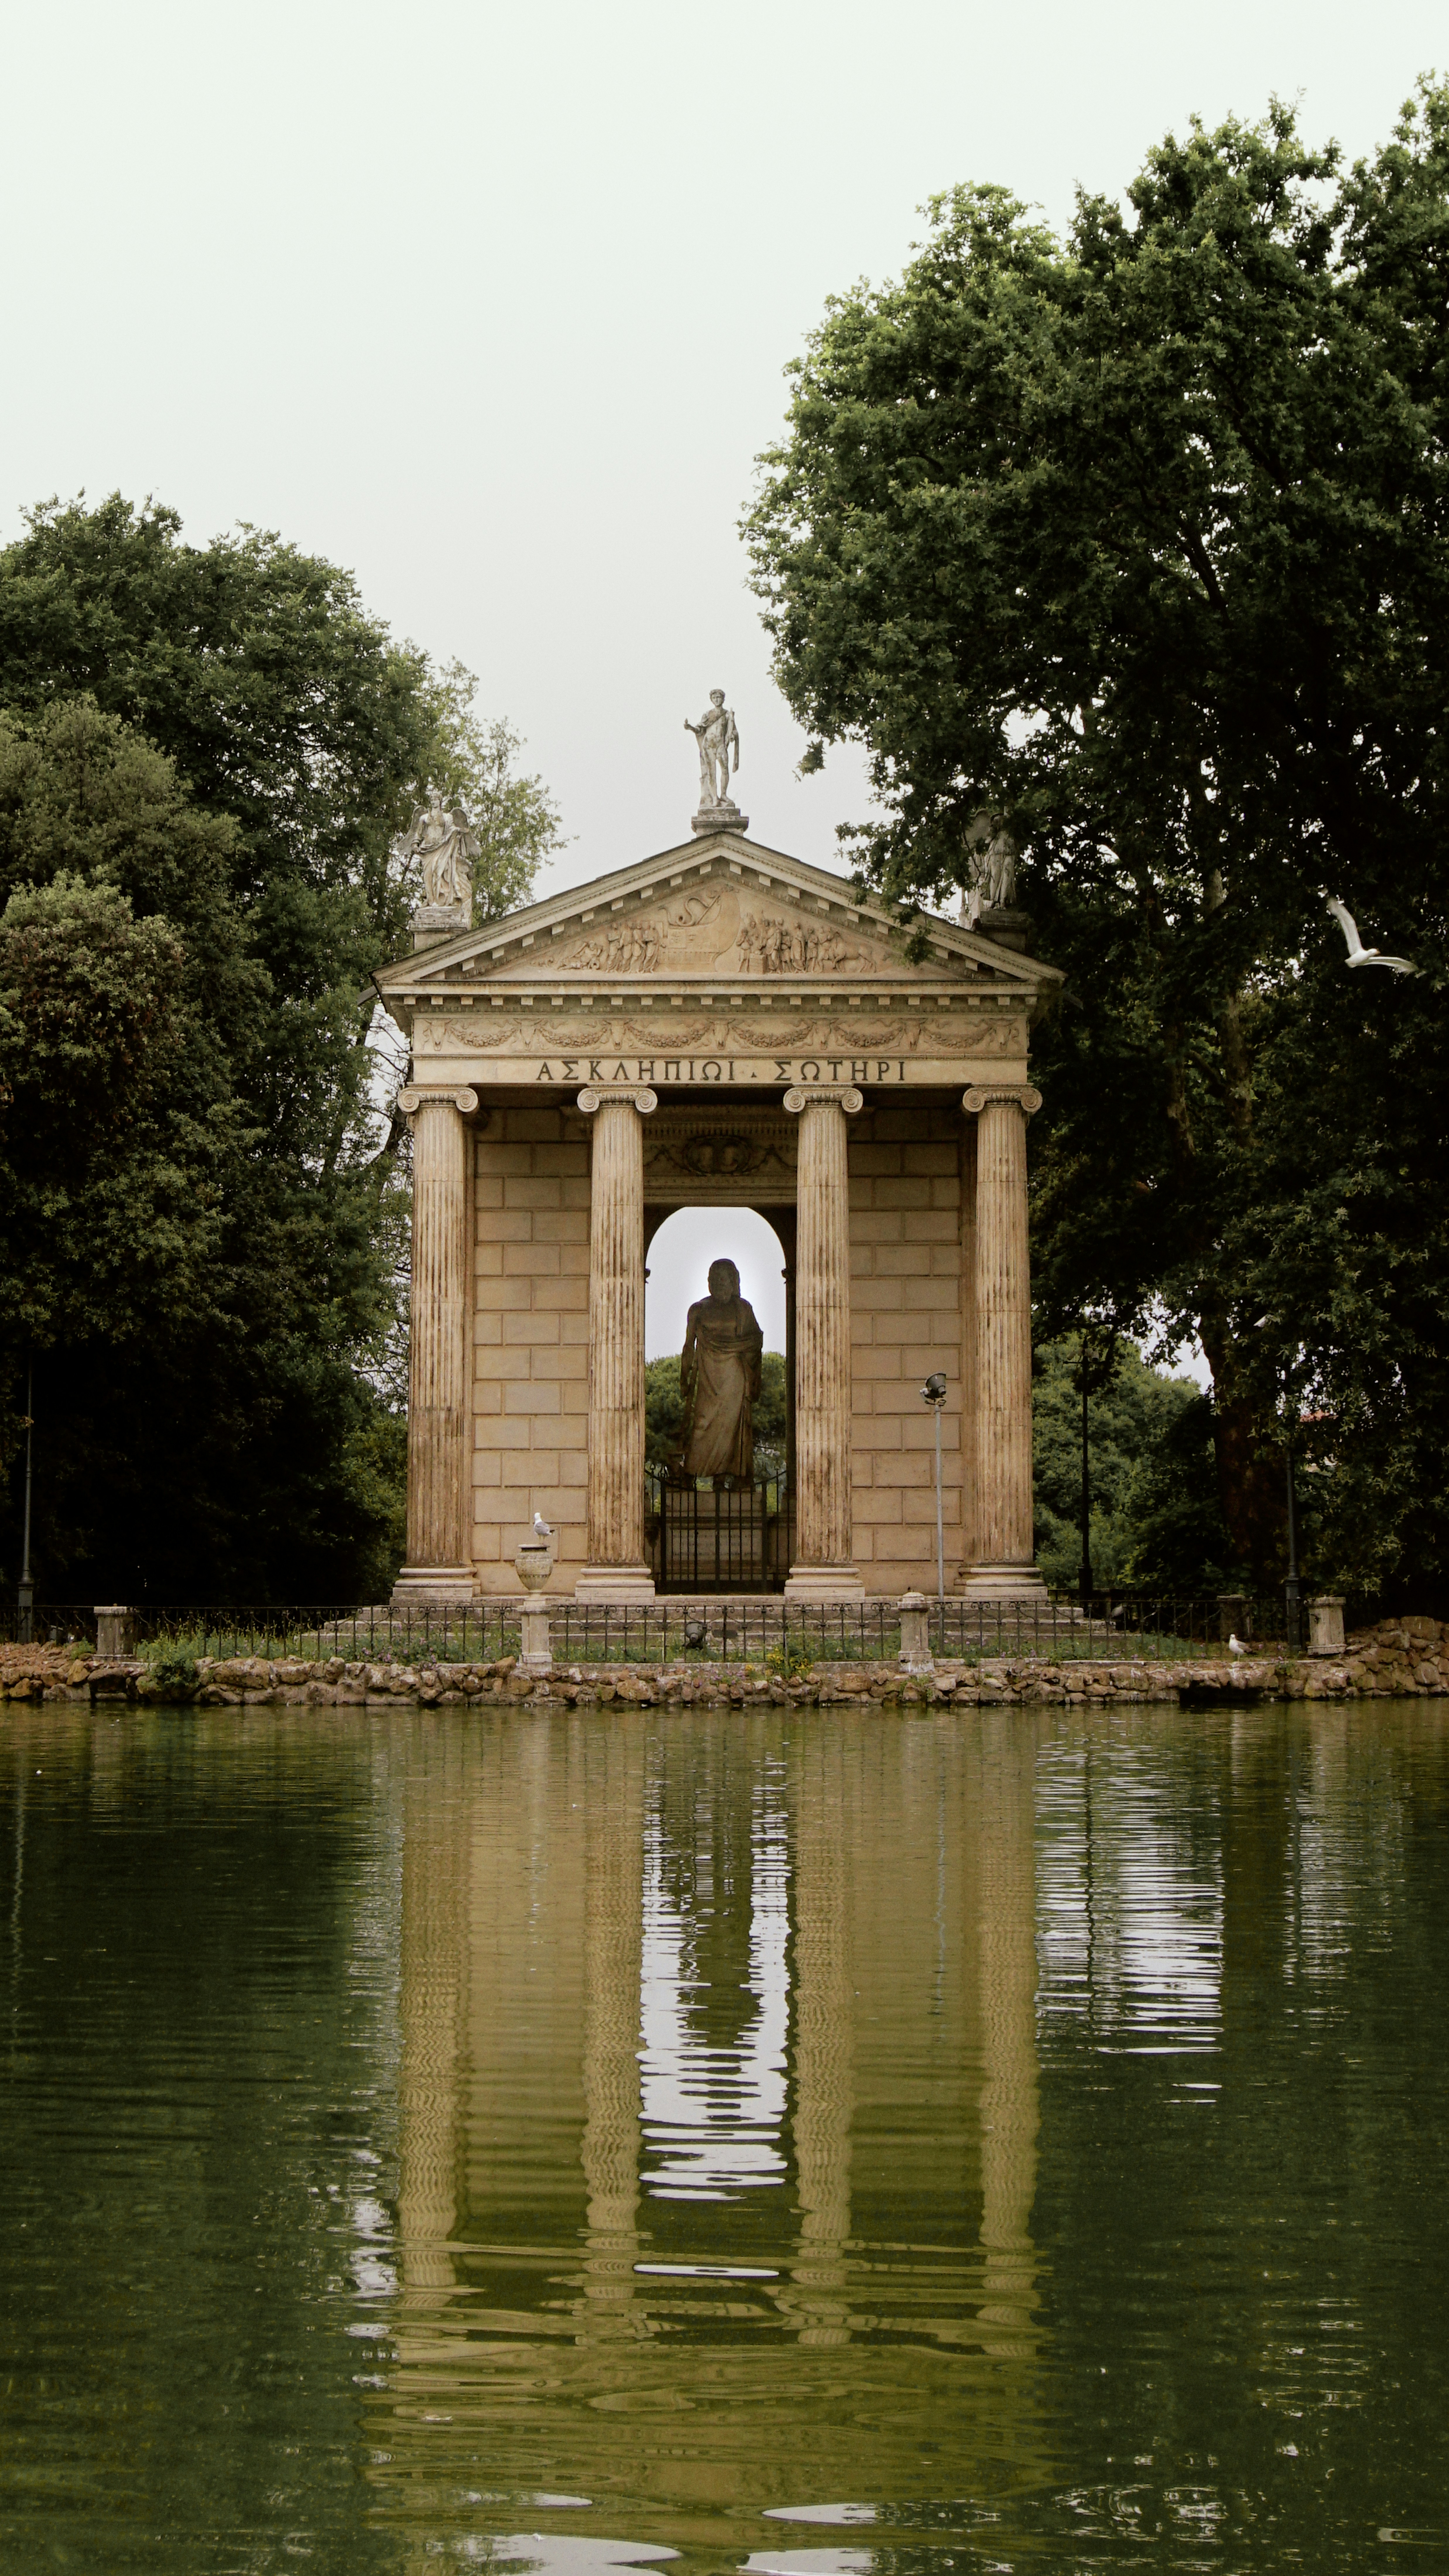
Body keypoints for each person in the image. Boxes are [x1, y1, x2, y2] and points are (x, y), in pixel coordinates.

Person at [679, 1259, 763, 1480]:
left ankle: (723, 1479)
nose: (718, 1284)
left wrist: (753, 1378)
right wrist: (684, 1375)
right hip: (708, 1377)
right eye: (713, 1279)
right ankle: (689, 1476)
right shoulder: (698, 1310)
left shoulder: (743, 1309)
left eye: (723, 1280)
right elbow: (689, 1345)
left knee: (731, 1429)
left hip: (734, 1378)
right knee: (702, 1423)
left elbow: (755, 1340)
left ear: (733, 1282)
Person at [684, 690, 741, 808]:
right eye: (714, 698)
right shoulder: (708, 715)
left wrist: (732, 736)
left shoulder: (727, 715)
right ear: (712, 700)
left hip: (721, 745)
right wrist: (691, 728)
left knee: (725, 769)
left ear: (723, 700)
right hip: (709, 746)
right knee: (712, 773)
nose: (717, 700)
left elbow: (734, 731)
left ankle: (724, 795)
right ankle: (715, 798)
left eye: (719, 698)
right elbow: (700, 730)